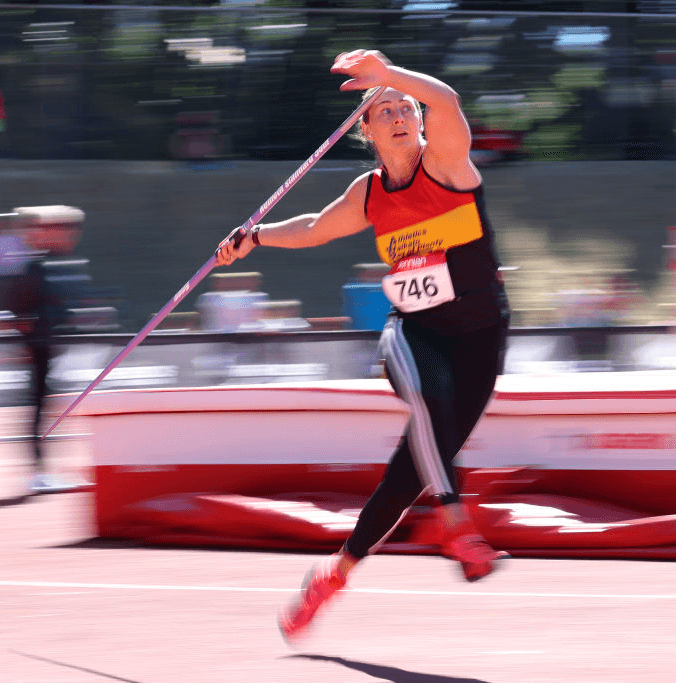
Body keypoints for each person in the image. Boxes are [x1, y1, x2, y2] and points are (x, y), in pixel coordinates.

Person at [215, 49, 511, 642]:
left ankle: (334, 574)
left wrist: (389, 73)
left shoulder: (447, 165)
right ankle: (454, 519)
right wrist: (255, 239)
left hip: (480, 338)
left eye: (406, 108)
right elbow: (314, 227)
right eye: (386, 109)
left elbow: (447, 100)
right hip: (415, 330)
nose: (401, 113)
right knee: (423, 389)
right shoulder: (368, 194)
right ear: (366, 130)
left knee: (408, 475)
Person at [8, 205, 86, 495]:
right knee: (40, 408)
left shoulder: (52, 264)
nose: (69, 235)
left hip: (47, 346)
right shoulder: (33, 266)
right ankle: (38, 472)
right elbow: (19, 307)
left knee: (47, 407)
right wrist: (25, 342)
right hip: (39, 347)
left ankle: (44, 470)